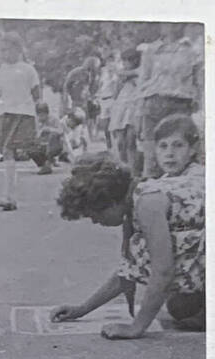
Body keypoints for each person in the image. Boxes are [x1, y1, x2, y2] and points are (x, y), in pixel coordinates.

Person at [51, 117, 204, 338]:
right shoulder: (140, 193)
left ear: (110, 202)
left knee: (181, 306)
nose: (96, 222)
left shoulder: (148, 203)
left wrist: (136, 327)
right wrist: (83, 308)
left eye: (95, 215)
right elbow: (128, 270)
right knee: (181, 305)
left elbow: (163, 272)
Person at [136, 23, 202, 177]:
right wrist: (138, 113)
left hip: (180, 105)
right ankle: (151, 194)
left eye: (176, 23)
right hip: (153, 104)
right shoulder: (151, 50)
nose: (171, 27)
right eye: (167, 23)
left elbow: (200, 83)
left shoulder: (193, 50)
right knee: (152, 157)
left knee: (181, 155)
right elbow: (143, 82)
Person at [0, 31, 40, 211]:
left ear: (18, 50)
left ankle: (9, 197)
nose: (3, 54)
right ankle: (9, 197)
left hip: (23, 114)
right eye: (1, 51)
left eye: (7, 50)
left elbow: (37, 94)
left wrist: (38, 115)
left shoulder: (27, 69)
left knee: (8, 150)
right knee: (6, 152)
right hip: (6, 114)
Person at [108, 48, 142, 172]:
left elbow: (140, 82)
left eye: (128, 60)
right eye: (124, 61)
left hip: (134, 107)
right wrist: (119, 82)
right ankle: (124, 167)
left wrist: (127, 76)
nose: (125, 63)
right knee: (120, 142)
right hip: (122, 107)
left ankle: (133, 170)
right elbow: (115, 94)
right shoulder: (121, 75)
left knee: (131, 140)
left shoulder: (139, 72)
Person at [30, 102, 66, 174]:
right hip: (41, 145)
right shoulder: (36, 121)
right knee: (30, 148)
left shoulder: (54, 119)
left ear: (47, 113)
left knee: (53, 135)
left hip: (54, 145)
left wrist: (48, 129)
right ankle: (45, 164)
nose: (41, 117)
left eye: (43, 114)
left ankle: (48, 163)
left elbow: (61, 131)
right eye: (39, 115)